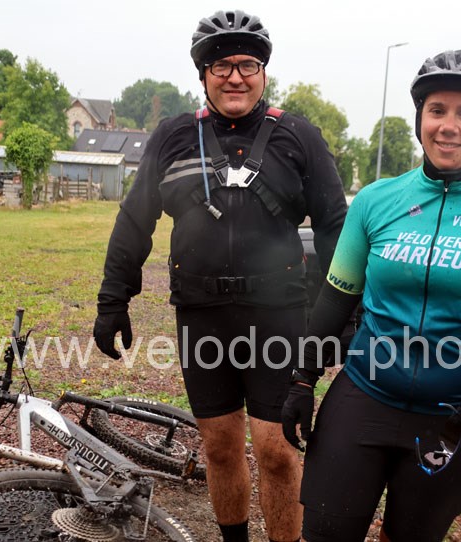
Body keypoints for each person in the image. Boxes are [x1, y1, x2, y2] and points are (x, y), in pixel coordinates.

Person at [92, 10, 347, 542]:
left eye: (247, 64)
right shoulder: (173, 136)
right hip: (202, 315)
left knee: (277, 451)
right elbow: (135, 220)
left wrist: (341, 316)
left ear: (263, 72)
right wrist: (113, 299)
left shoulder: (298, 136)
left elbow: (335, 230)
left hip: (278, 316)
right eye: (221, 65)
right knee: (220, 448)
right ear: (203, 73)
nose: (235, 76)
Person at [281, 50, 461, 542]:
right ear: (420, 119)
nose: (449, 126)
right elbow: (336, 298)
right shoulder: (375, 201)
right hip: (362, 399)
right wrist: (302, 379)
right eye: (437, 110)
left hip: (452, 417)